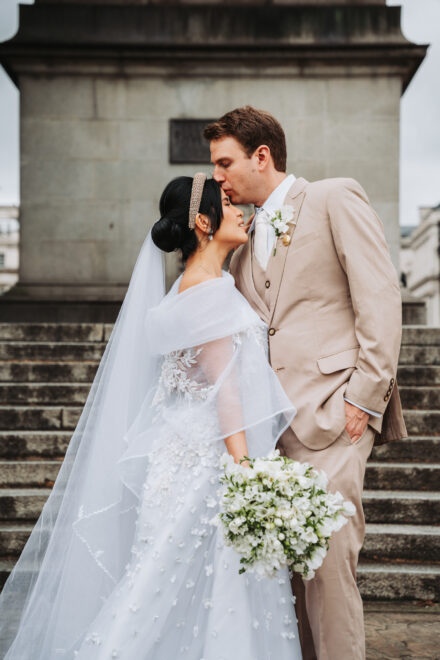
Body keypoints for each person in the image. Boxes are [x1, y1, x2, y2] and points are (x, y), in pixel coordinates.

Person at [0, 174, 303, 660]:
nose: (240, 210)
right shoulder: (211, 293)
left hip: (176, 454)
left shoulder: (186, 289)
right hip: (209, 462)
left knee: (165, 583)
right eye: (227, 204)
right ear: (203, 222)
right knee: (186, 588)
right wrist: (248, 472)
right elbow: (226, 391)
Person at [204, 106, 407, 660]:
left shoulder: (333, 197)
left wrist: (363, 400)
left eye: (225, 163)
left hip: (336, 412)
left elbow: (379, 298)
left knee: (329, 561)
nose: (217, 177)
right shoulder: (241, 238)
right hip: (274, 428)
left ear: (261, 155)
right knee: (285, 571)